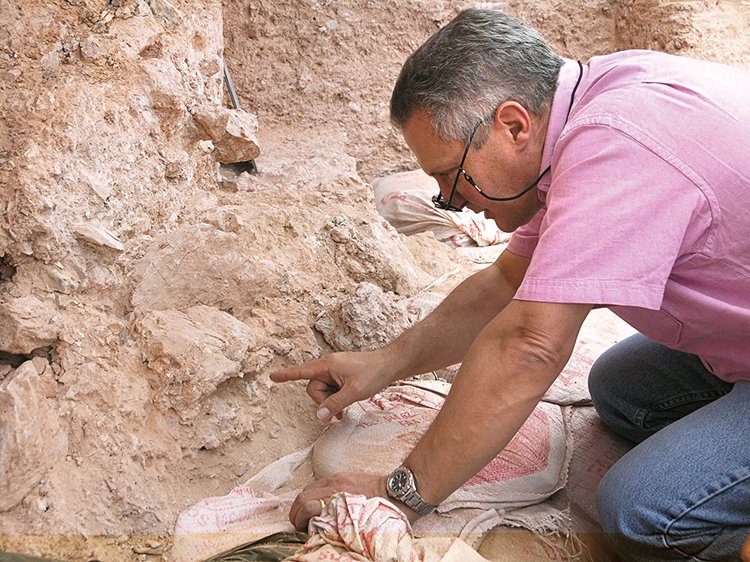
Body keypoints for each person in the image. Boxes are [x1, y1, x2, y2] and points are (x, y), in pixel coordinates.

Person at [271, 8, 750, 561]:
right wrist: (389, 361)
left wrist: (399, 494)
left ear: (514, 126)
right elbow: (505, 281)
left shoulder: (617, 143)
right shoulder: (594, 107)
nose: (451, 200)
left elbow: (530, 345)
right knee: (622, 389)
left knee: (643, 513)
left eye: (450, 175)